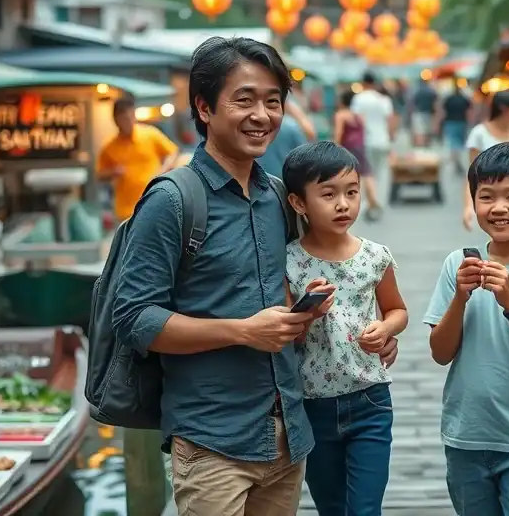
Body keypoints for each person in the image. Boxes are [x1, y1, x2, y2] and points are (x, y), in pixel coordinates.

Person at [109, 36, 398, 515]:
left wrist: (376, 331)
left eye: (273, 101)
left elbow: (326, 274)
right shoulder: (172, 200)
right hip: (211, 439)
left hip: (288, 433)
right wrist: (244, 331)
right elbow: (136, 319)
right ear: (204, 107)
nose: (262, 115)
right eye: (243, 99)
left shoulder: (280, 198)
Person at [424, 141, 509, 516]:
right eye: (486, 197)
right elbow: (440, 352)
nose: (498, 208)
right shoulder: (459, 263)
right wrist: (460, 298)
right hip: (464, 437)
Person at [281, 141, 408, 516]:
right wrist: (308, 313)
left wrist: (386, 330)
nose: (343, 204)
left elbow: (397, 309)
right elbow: (290, 335)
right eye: (328, 194)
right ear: (298, 203)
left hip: (369, 398)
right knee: (332, 506)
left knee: (366, 508)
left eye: (352, 193)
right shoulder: (289, 261)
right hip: (313, 404)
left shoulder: (375, 256)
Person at [96, 97, 180, 221]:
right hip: (126, 210)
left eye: (131, 117)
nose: (129, 122)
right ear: (116, 120)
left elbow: (173, 152)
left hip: (154, 203)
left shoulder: (150, 134)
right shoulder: (109, 147)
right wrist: (113, 171)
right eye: (124, 118)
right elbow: (99, 174)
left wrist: (163, 170)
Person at [462, 90, 509, 230]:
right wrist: (468, 207)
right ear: (504, 108)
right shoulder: (479, 133)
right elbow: (472, 175)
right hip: (491, 201)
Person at [351, 72, 395, 221]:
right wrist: (390, 137)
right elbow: (390, 121)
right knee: (381, 173)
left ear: (363, 82)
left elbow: (357, 120)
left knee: (366, 174)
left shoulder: (359, 99)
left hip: (366, 141)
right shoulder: (384, 100)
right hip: (382, 140)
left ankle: (368, 203)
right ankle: (380, 202)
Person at [334, 89, 384, 214]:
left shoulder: (341, 115)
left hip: (347, 148)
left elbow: (339, 133)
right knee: (367, 173)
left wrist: (334, 148)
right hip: (360, 147)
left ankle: (347, 200)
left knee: (346, 175)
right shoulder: (359, 115)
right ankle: (373, 199)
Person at [256, 105, 308, 178]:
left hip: (263, 178)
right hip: (287, 179)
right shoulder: (292, 125)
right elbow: (304, 156)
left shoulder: (257, 126)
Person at [435, 79, 473, 172]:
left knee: (452, 141)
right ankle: (457, 159)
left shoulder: (448, 99)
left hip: (450, 121)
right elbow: (470, 111)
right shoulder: (464, 99)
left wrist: (437, 123)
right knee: (460, 142)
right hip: (461, 122)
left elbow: (442, 111)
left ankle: (455, 159)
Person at [410, 80, 437, 147]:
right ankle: (426, 144)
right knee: (427, 129)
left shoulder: (417, 91)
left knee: (419, 130)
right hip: (428, 112)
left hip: (418, 112)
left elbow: (413, 102)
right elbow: (435, 102)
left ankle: (420, 144)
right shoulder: (431, 91)